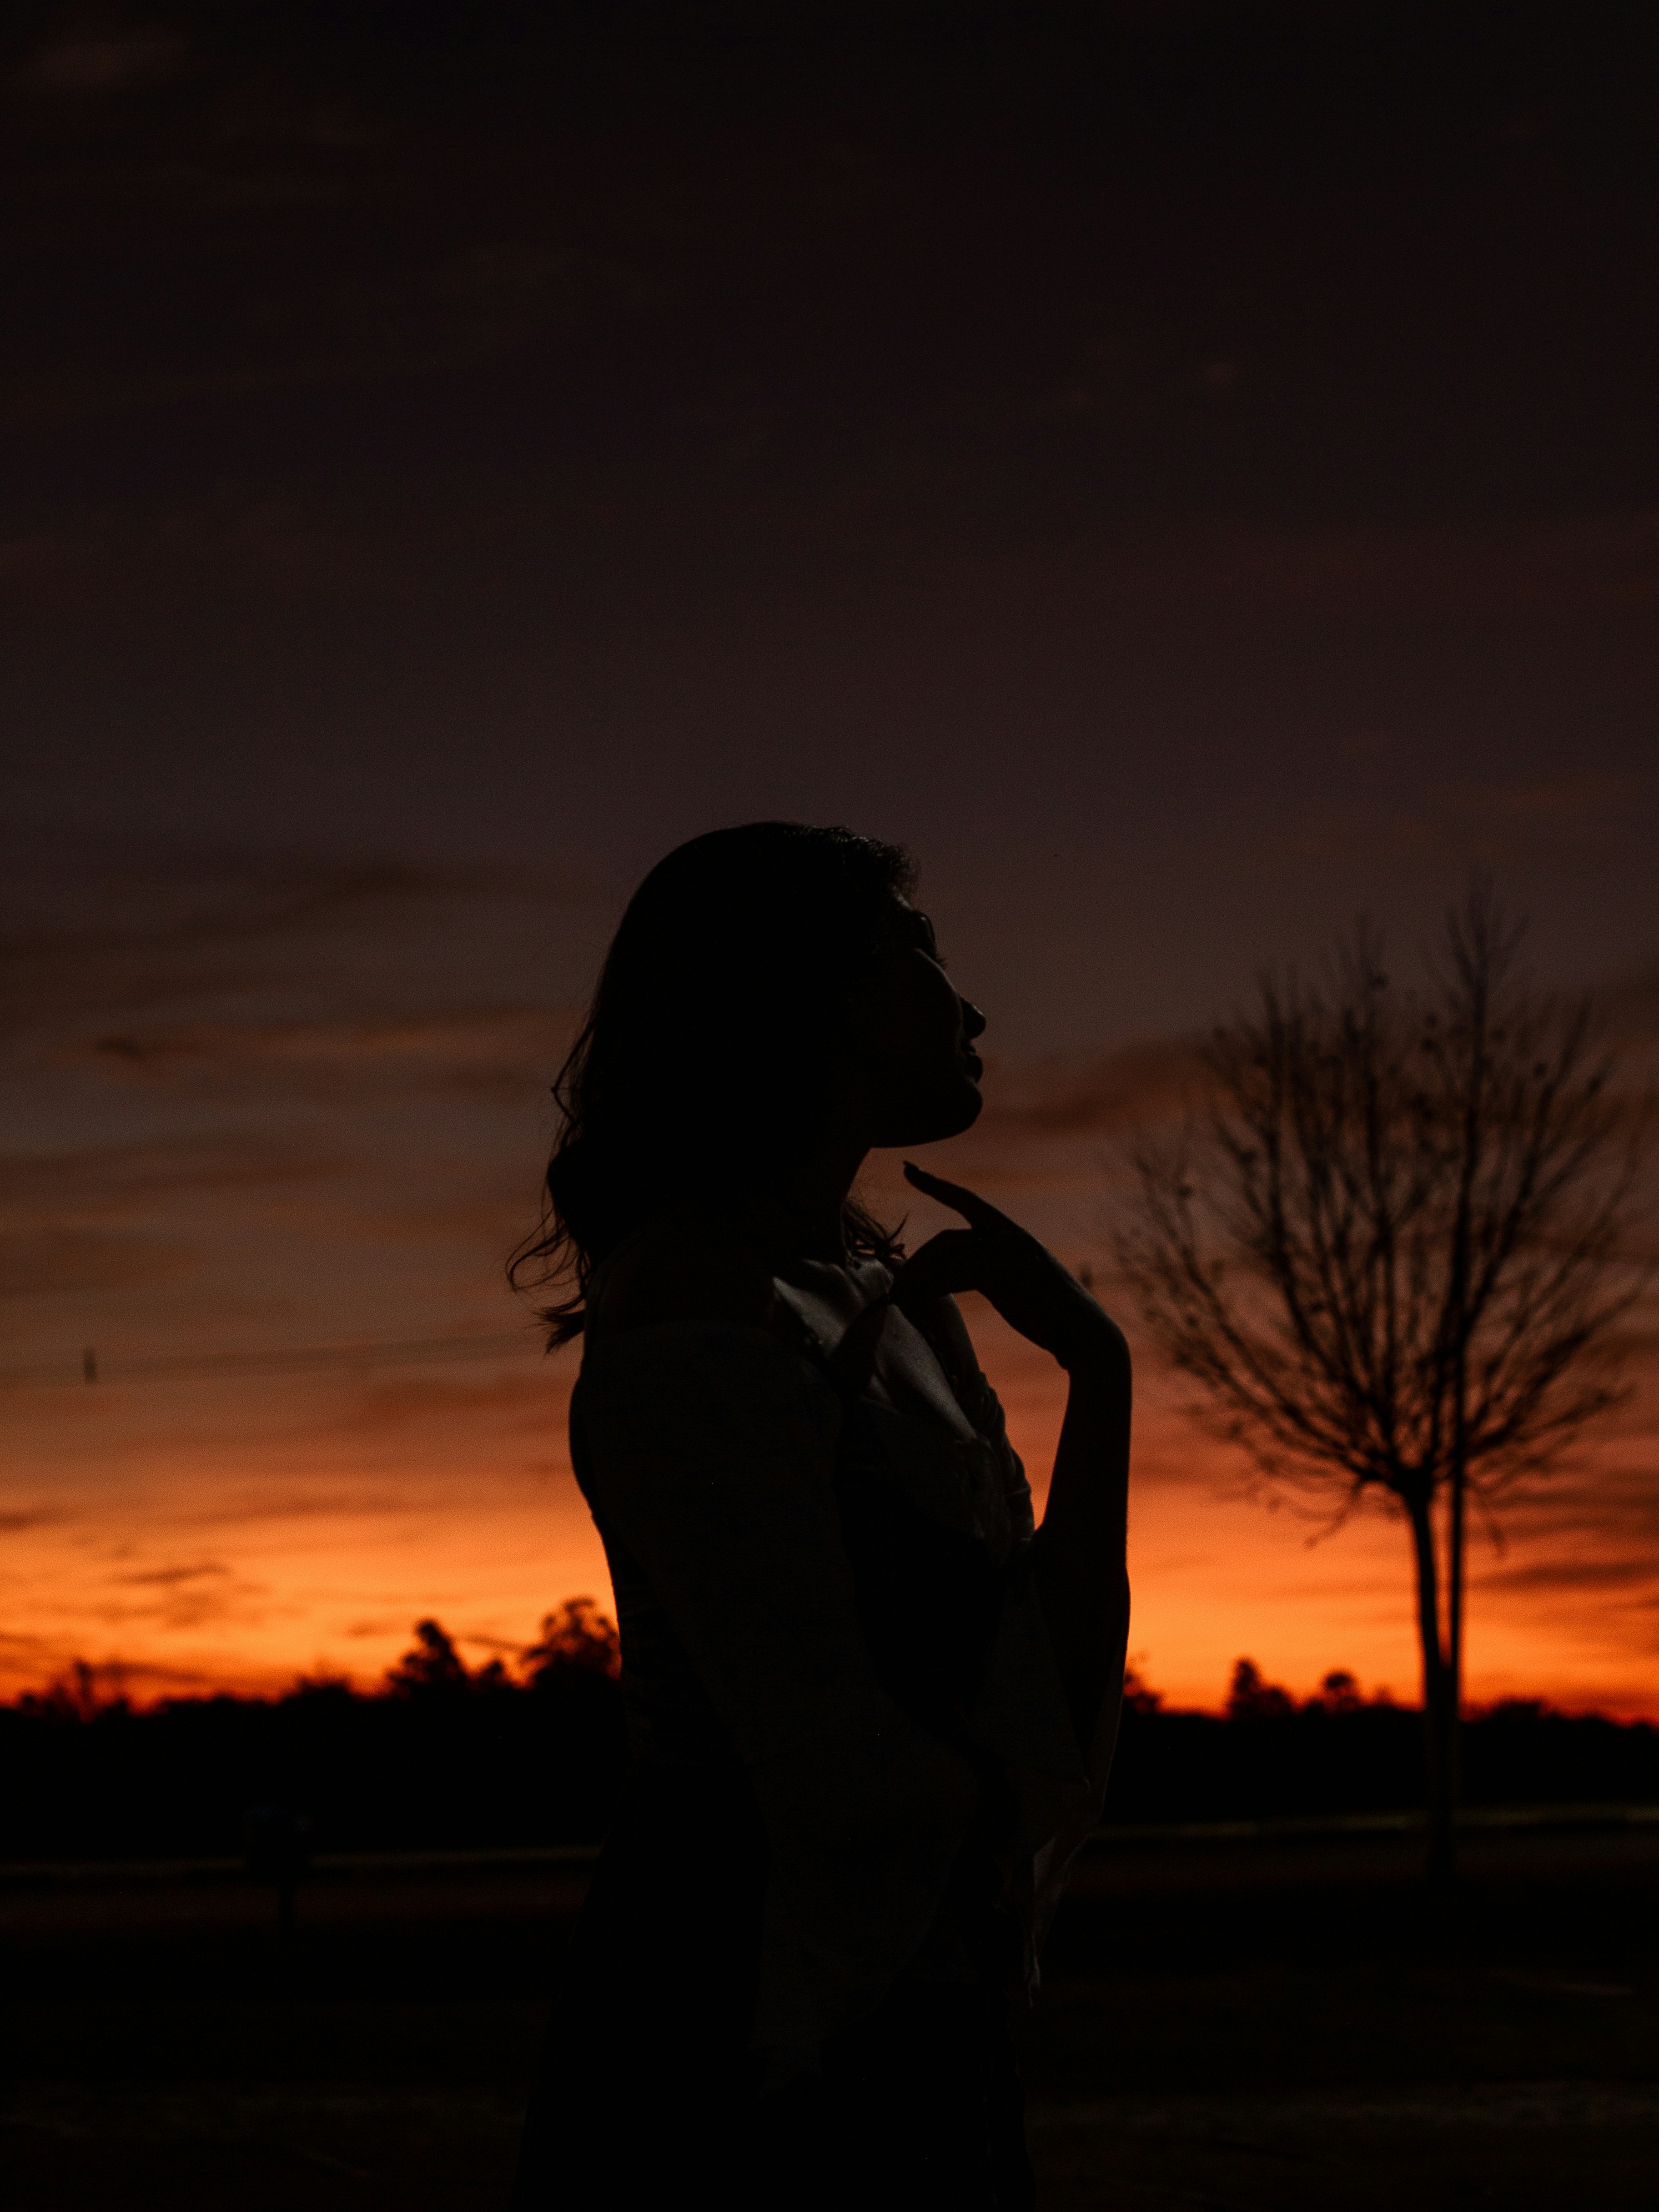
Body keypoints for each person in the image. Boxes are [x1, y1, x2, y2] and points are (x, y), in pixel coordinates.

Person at [508, 822, 1131, 2210]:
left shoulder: (876, 1295)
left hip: (915, 2008)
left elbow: (1044, 1683)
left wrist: (1101, 1375)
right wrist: (986, 1802)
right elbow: (830, 1760)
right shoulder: (693, 1308)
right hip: (745, 2031)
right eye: (918, 957)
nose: (968, 1008)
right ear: (799, 999)